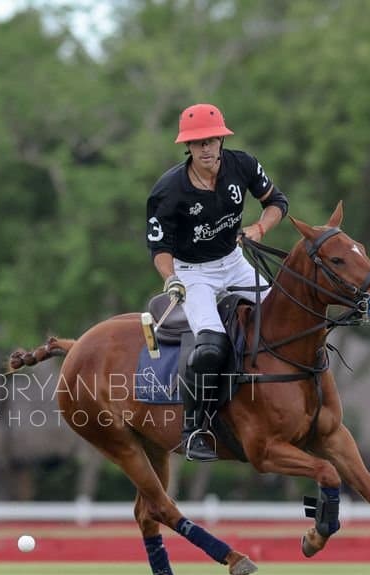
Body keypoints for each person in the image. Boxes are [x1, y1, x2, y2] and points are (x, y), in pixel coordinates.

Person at [145, 103, 289, 461]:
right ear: (188, 148)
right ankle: (194, 428)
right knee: (210, 347)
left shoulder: (243, 165)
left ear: (221, 140)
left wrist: (258, 227)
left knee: (281, 321)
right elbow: (159, 246)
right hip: (195, 274)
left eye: (211, 141)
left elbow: (276, 202)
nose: (206, 149)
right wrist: (172, 280)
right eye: (198, 144)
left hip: (234, 262)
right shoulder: (168, 191)